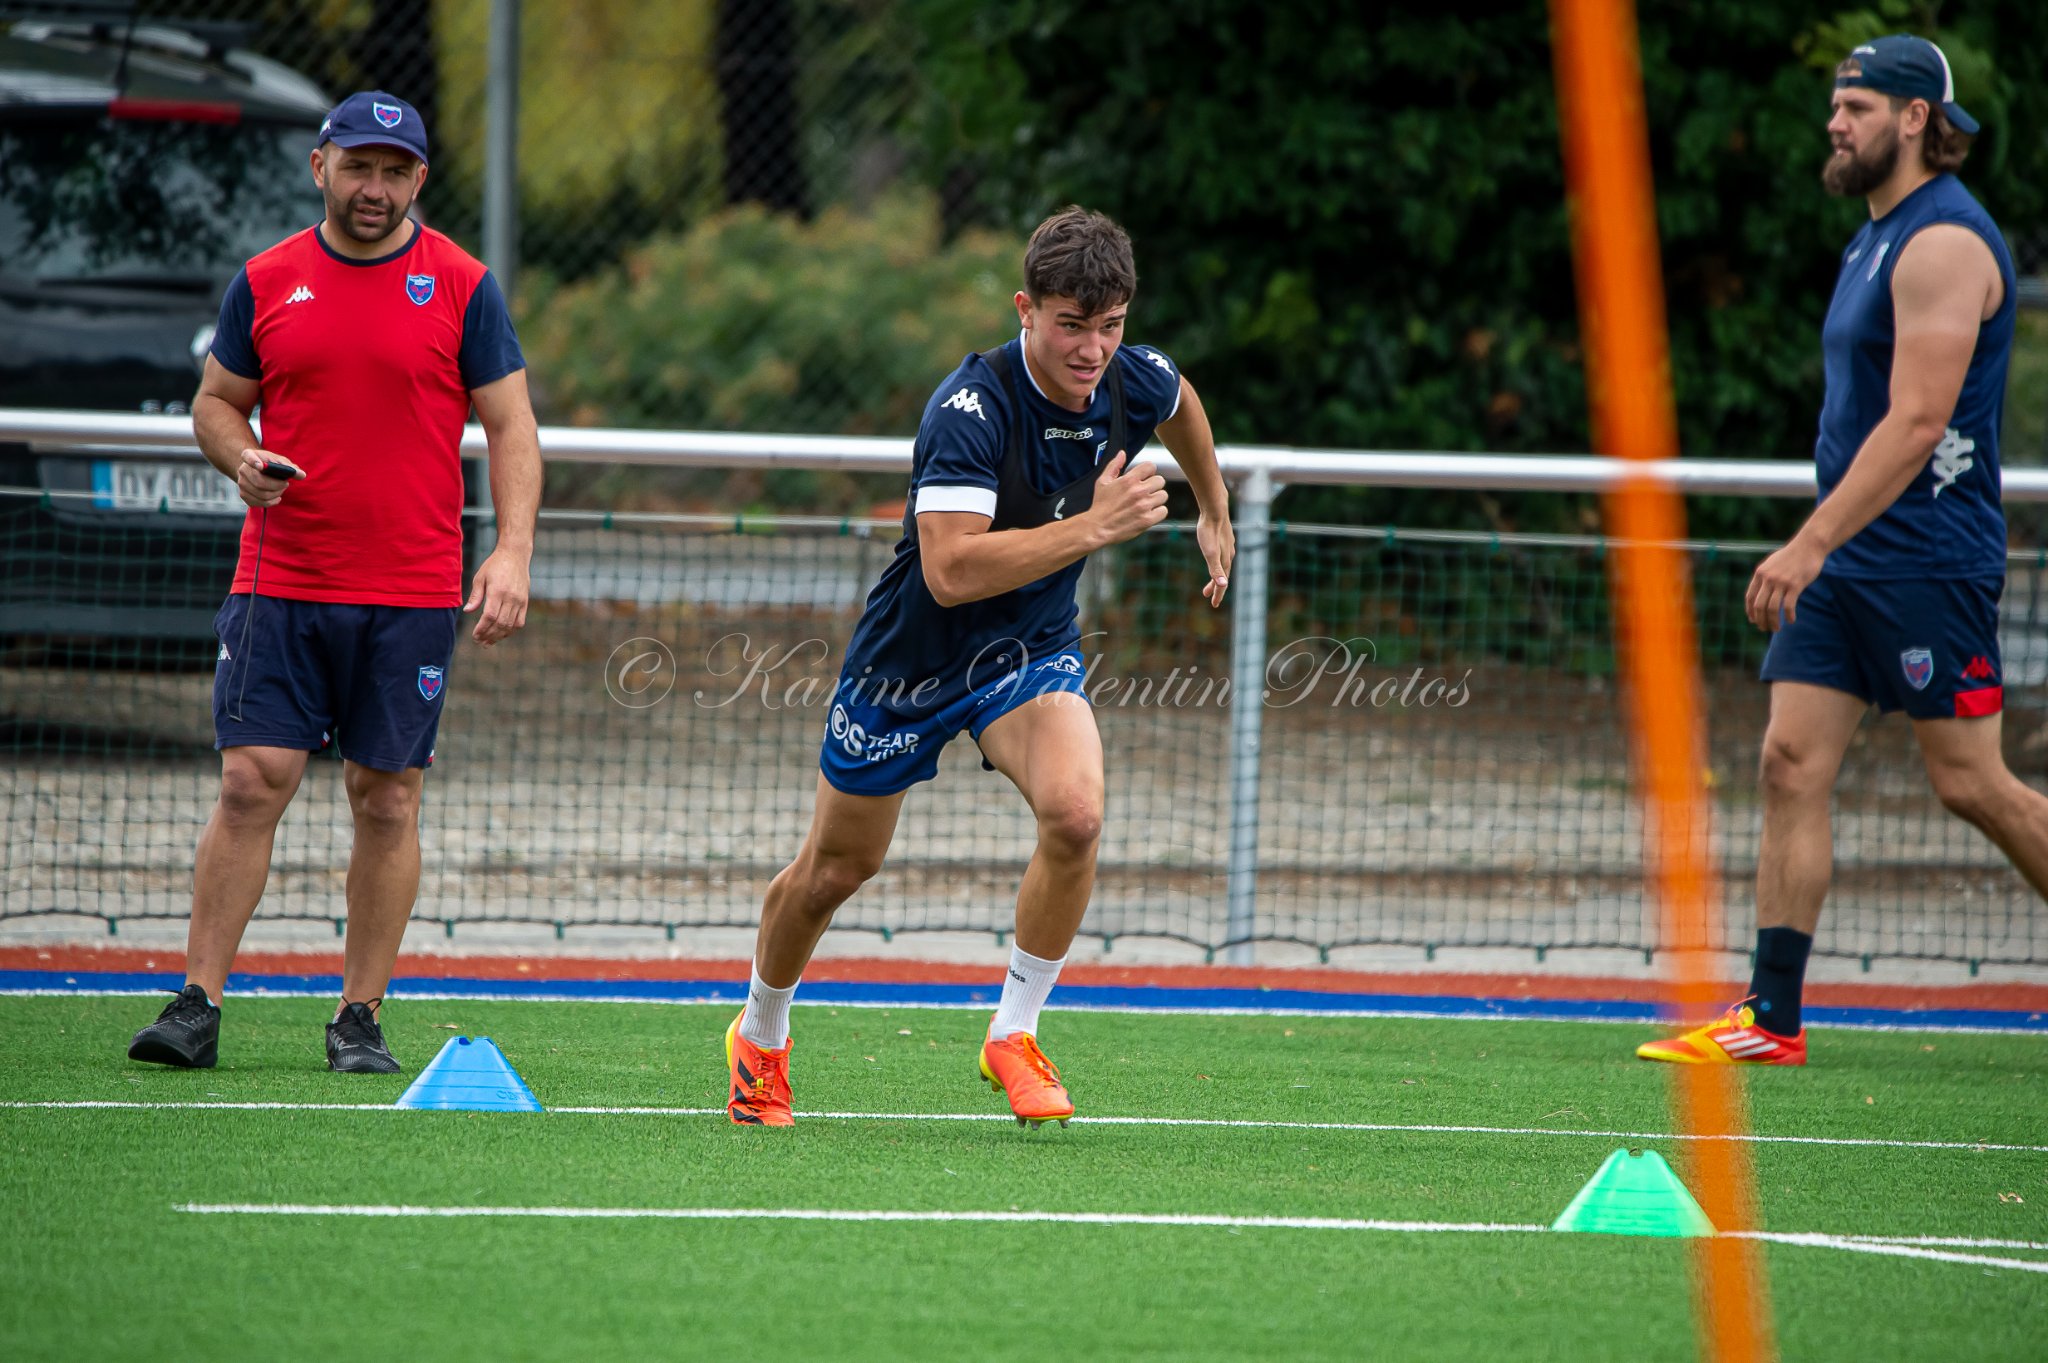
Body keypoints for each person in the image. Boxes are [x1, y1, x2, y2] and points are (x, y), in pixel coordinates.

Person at [725, 207, 1234, 1125]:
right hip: (911, 663)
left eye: (1109, 324)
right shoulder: (972, 408)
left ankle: (1015, 1031)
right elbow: (951, 571)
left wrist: (1214, 504)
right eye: (1070, 324)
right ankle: (759, 1035)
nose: (1092, 349)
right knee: (837, 870)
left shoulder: (1132, 374)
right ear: (1025, 310)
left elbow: (1180, 399)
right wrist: (1093, 527)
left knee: (1077, 815)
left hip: (1028, 651)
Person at [1638, 36, 2042, 1066]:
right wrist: (1824, 546)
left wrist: (1806, 543)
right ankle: (1769, 1019)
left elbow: (1914, 424)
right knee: (1785, 762)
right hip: (1850, 557)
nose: (1835, 121)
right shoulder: (1873, 236)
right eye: (1835, 104)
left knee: (1967, 784)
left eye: (1856, 105)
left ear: (1914, 120)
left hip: (1921, 558)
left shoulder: (1943, 241)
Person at [125, 91, 541, 1073]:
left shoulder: (461, 284)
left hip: (408, 590)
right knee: (248, 782)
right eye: (358, 167)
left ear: (420, 182)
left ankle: (358, 1014)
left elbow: (512, 426)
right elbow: (216, 401)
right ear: (320, 166)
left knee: (386, 797)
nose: (374, 188)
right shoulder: (267, 279)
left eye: (395, 172)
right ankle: (197, 1002)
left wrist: (512, 549)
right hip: (282, 579)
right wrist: (240, 458)